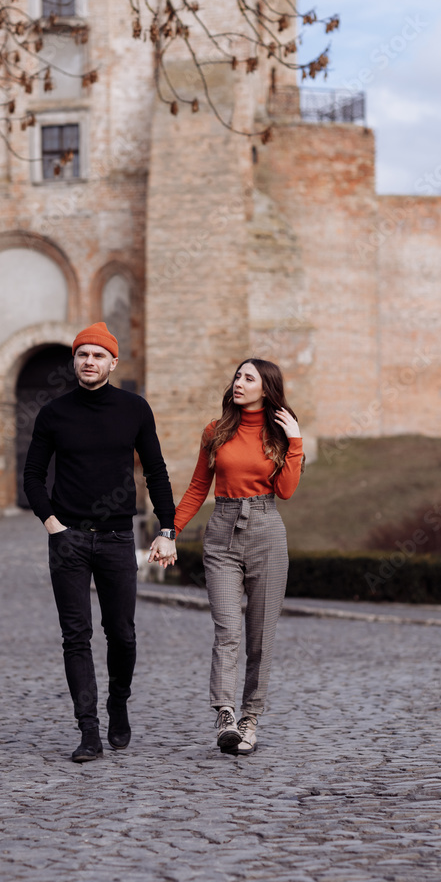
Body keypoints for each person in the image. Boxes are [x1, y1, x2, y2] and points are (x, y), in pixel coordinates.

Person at [23, 322, 177, 762]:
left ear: (112, 362)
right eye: (81, 355)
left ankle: (118, 703)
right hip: (67, 539)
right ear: (74, 361)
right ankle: (88, 730)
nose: (88, 362)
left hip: (115, 538)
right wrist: (52, 523)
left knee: (122, 634)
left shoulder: (134, 409)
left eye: (97, 355)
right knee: (76, 636)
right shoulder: (54, 413)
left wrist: (167, 530)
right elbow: (33, 475)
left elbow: (156, 471)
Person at [173, 358, 304, 756]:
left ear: (267, 388)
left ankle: (251, 717)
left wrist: (295, 441)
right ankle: (225, 713)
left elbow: (286, 491)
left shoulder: (279, 434)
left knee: (260, 637)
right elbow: (198, 487)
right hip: (222, 531)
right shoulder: (215, 431)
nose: (239, 382)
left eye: (249, 378)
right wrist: (170, 532)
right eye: (237, 376)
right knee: (227, 629)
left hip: (266, 528)